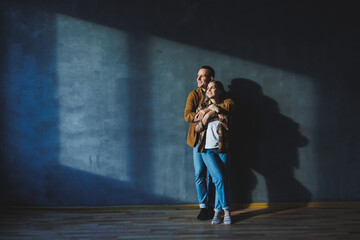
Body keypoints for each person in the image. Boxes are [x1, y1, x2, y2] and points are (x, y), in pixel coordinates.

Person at [184, 66, 234, 221]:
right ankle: (204, 207)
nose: (198, 79)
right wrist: (206, 114)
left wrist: (213, 109)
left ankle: (217, 208)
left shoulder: (220, 92)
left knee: (217, 176)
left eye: (202, 76)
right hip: (198, 142)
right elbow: (188, 116)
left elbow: (229, 105)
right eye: (198, 75)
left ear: (211, 78)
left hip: (219, 144)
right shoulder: (194, 94)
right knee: (200, 174)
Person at [194, 80, 233, 224]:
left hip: (223, 148)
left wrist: (215, 111)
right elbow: (197, 128)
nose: (209, 90)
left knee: (220, 181)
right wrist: (206, 117)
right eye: (208, 88)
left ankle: (217, 213)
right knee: (219, 179)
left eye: (213, 87)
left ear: (220, 91)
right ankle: (227, 210)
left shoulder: (226, 106)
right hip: (206, 150)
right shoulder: (201, 107)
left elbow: (229, 125)